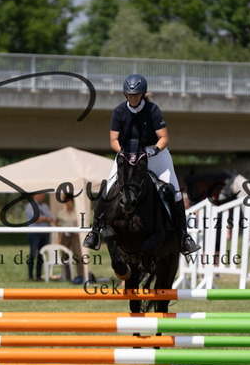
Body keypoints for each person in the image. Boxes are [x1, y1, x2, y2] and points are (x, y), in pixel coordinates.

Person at [82, 73, 200, 256]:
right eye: (130, 95)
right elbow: (113, 140)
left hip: (154, 153)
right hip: (127, 153)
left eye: (136, 95)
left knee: (175, 191)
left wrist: (153, 151)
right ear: (126, 95)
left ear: (142, 94)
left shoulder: (152, 110)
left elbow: (164, 138)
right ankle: (95, 231)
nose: (133, 98)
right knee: (107, 188)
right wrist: (122, 152)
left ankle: (184, 237)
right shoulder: (119, 111)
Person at [55, 194, 83, 281]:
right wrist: (60, 230)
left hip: (75, 235)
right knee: (65, 255)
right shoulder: (61, 213)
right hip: (65, 235)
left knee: (78, 254)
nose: (67, 203)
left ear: (72, 202)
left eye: (69, 201)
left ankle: (81, 274)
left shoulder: (77, 212)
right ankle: (68, 276)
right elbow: (56, 221)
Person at [25, 192, 53, 281]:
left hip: (44, 233)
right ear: (35, 195)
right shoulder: (30, 206)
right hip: (34, 233)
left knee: (41, 255)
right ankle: (30, 276)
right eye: (40, 195)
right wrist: (45, 218)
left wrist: (43, 218)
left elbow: (51, 218)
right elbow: (36, 219)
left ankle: (38, 276)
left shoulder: (45, 206)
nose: (42, 196)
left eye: (43, 195)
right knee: (32, 254)